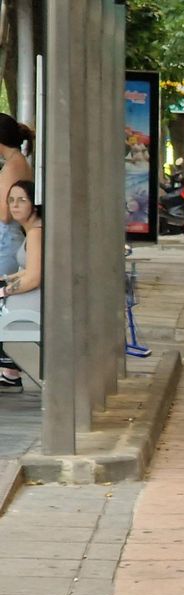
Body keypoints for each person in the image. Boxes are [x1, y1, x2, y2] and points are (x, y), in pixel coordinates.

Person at [0, 181, 42, 393]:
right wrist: (8, 278)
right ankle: (10, 371)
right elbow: (29, 269)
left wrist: (4, 291)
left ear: (34, 204)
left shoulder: (36, 233)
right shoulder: (33, 231)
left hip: (30, 312)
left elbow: (34, 277)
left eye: (22, 200)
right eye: (11, 200)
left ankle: (9, 370)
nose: (15, 205)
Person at [0, 113, 34, 278]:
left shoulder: (12, 167)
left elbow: (5, 215)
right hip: (11, 238)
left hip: (5, 240)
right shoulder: (20, 162)